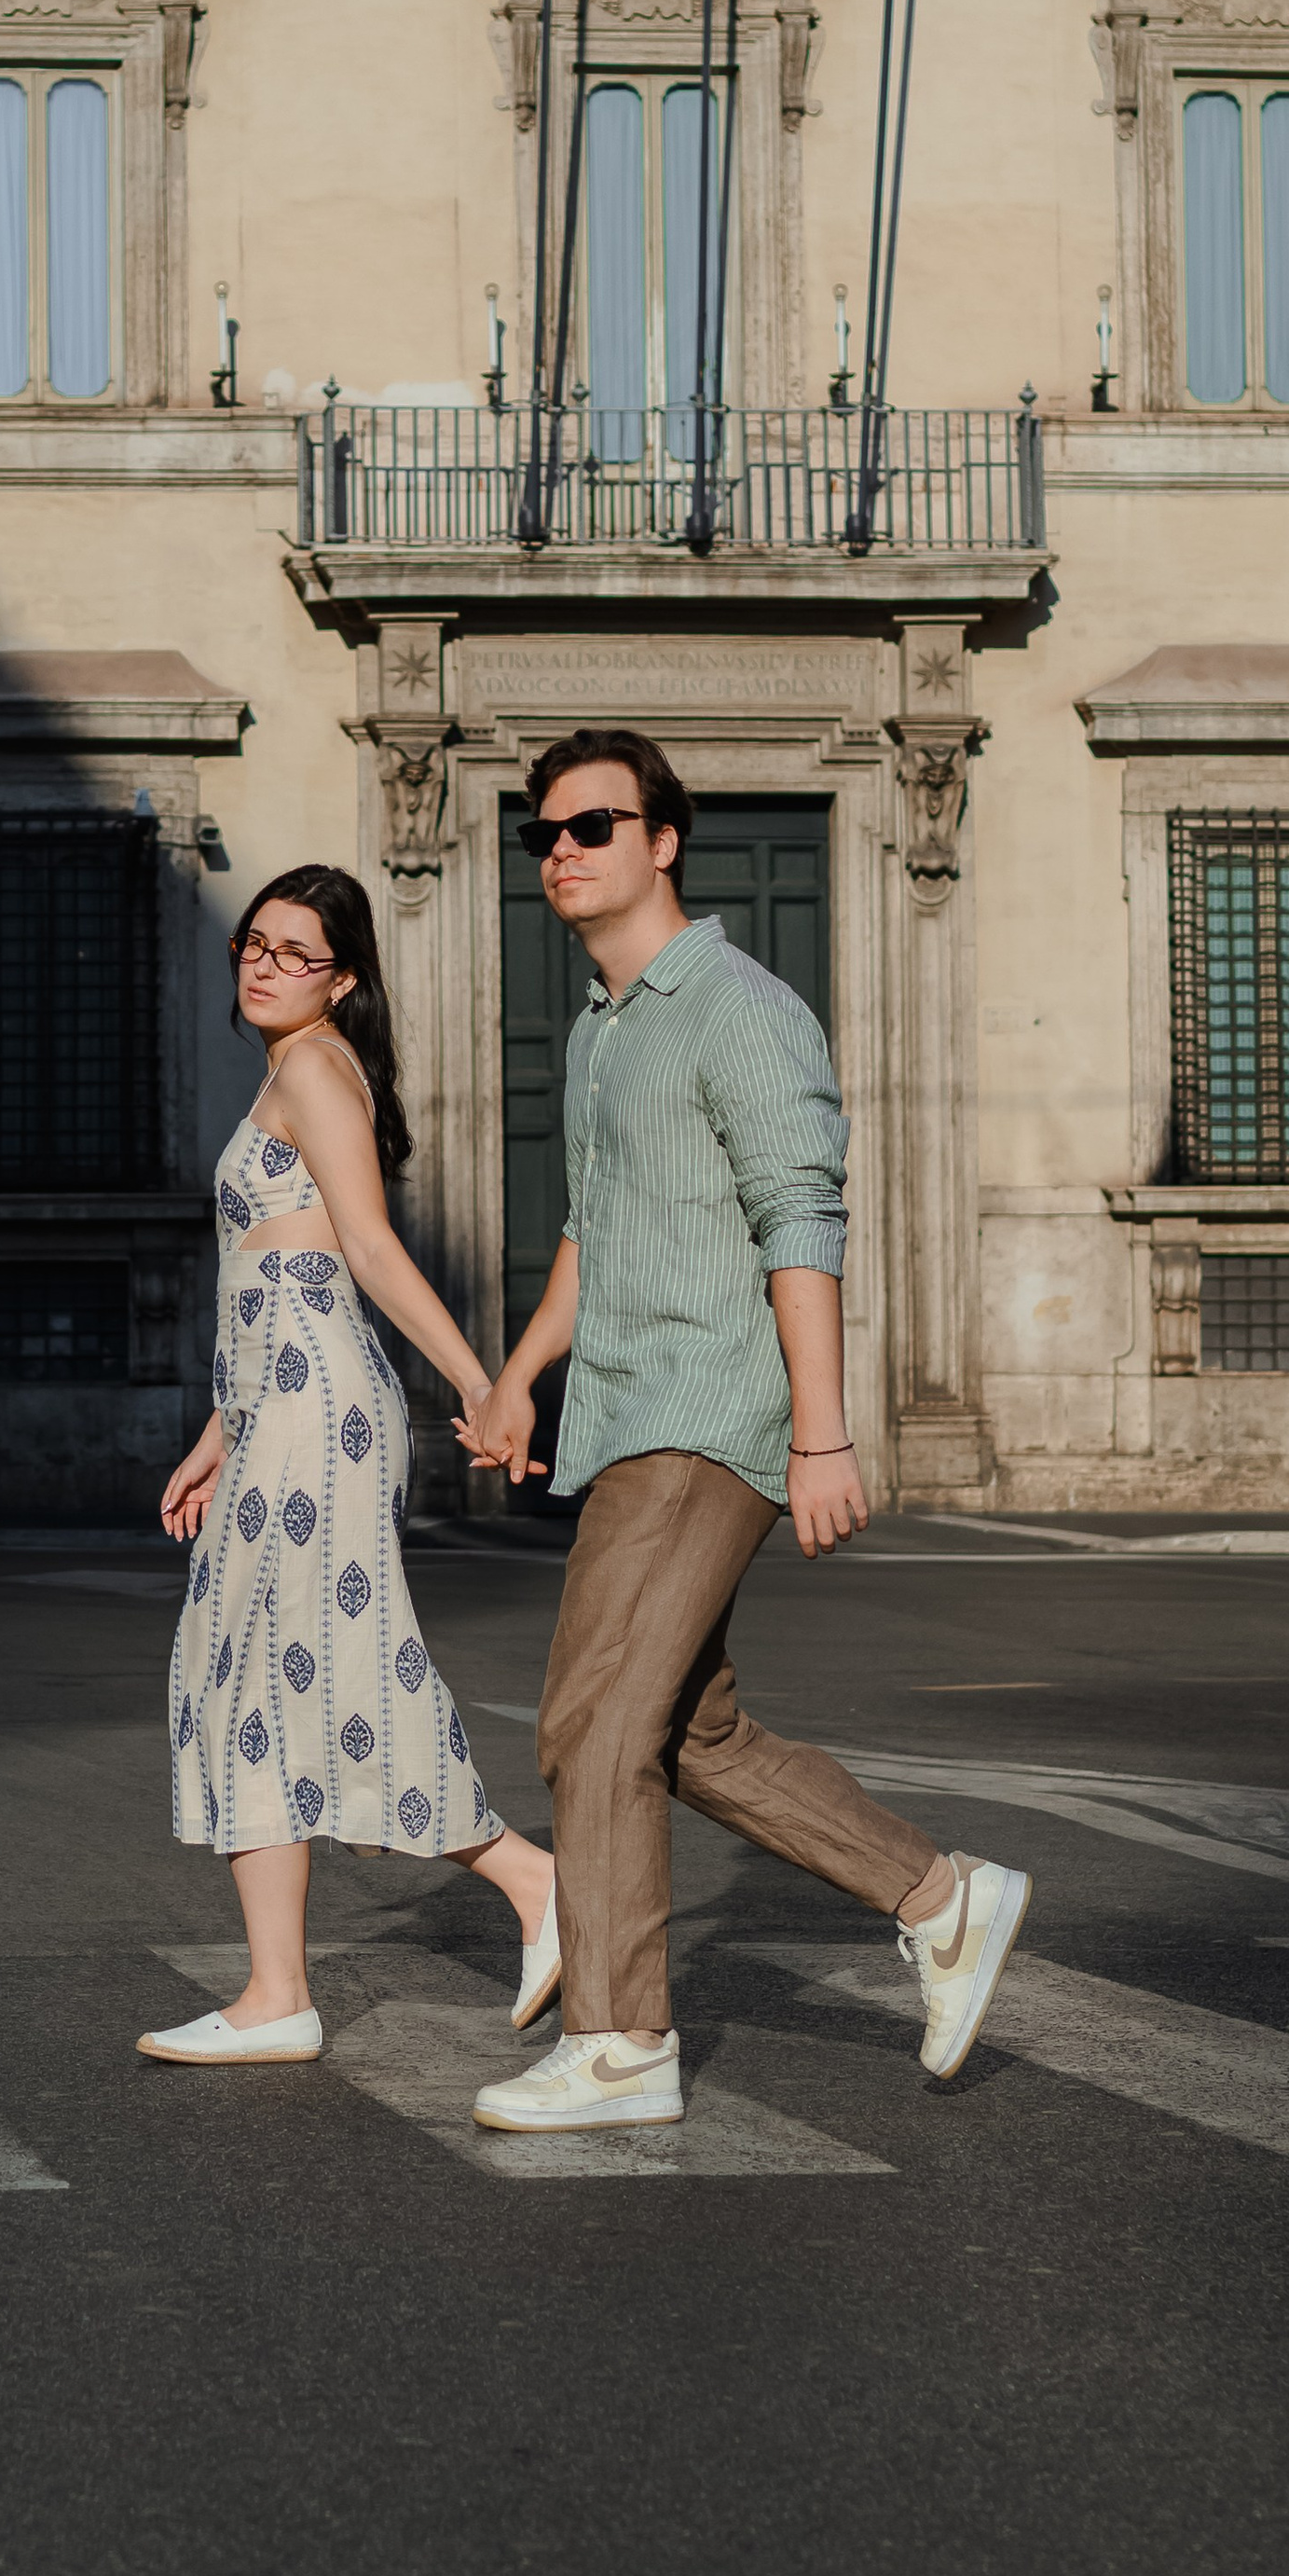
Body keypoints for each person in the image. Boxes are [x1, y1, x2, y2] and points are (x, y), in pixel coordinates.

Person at [459, 728, 1030, 2136]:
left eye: (594, 825)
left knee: (591, 1727)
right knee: (690, 1730)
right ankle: (944, 1898)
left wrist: (823, 1436)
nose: (565, 852)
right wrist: (525, 1369)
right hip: (627, 1405)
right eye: (546, 834)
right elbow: (597, 1233)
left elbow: (803, 1222)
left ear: (664, 840)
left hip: (712, 1410)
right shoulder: (604, 1032)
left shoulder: (739, 1008)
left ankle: (620, 2041)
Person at [140, 863, 559, 2066]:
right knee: (250, 1686)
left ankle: (534, 1883)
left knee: (324, 1671)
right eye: (253, 947)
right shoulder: (287, 1069)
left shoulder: (319, 1068)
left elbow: (370, 1252)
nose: (264, 966)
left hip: (320, 1414)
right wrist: (219, 1434)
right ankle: (278, 1995)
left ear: (345, 978)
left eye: (294, 953)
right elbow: (280, 1274)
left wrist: (481, 1384)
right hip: (276, 1410)